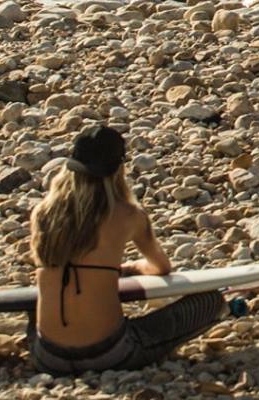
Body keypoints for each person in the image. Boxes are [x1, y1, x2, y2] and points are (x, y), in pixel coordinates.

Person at [25, 123, 225, 375]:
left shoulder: (42, 213)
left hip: (47, 357)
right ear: (118, 169)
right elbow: (160, 267)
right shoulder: (129, 215)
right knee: (210, 300)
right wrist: (129, 268)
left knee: (37, 297)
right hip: (109, 355)